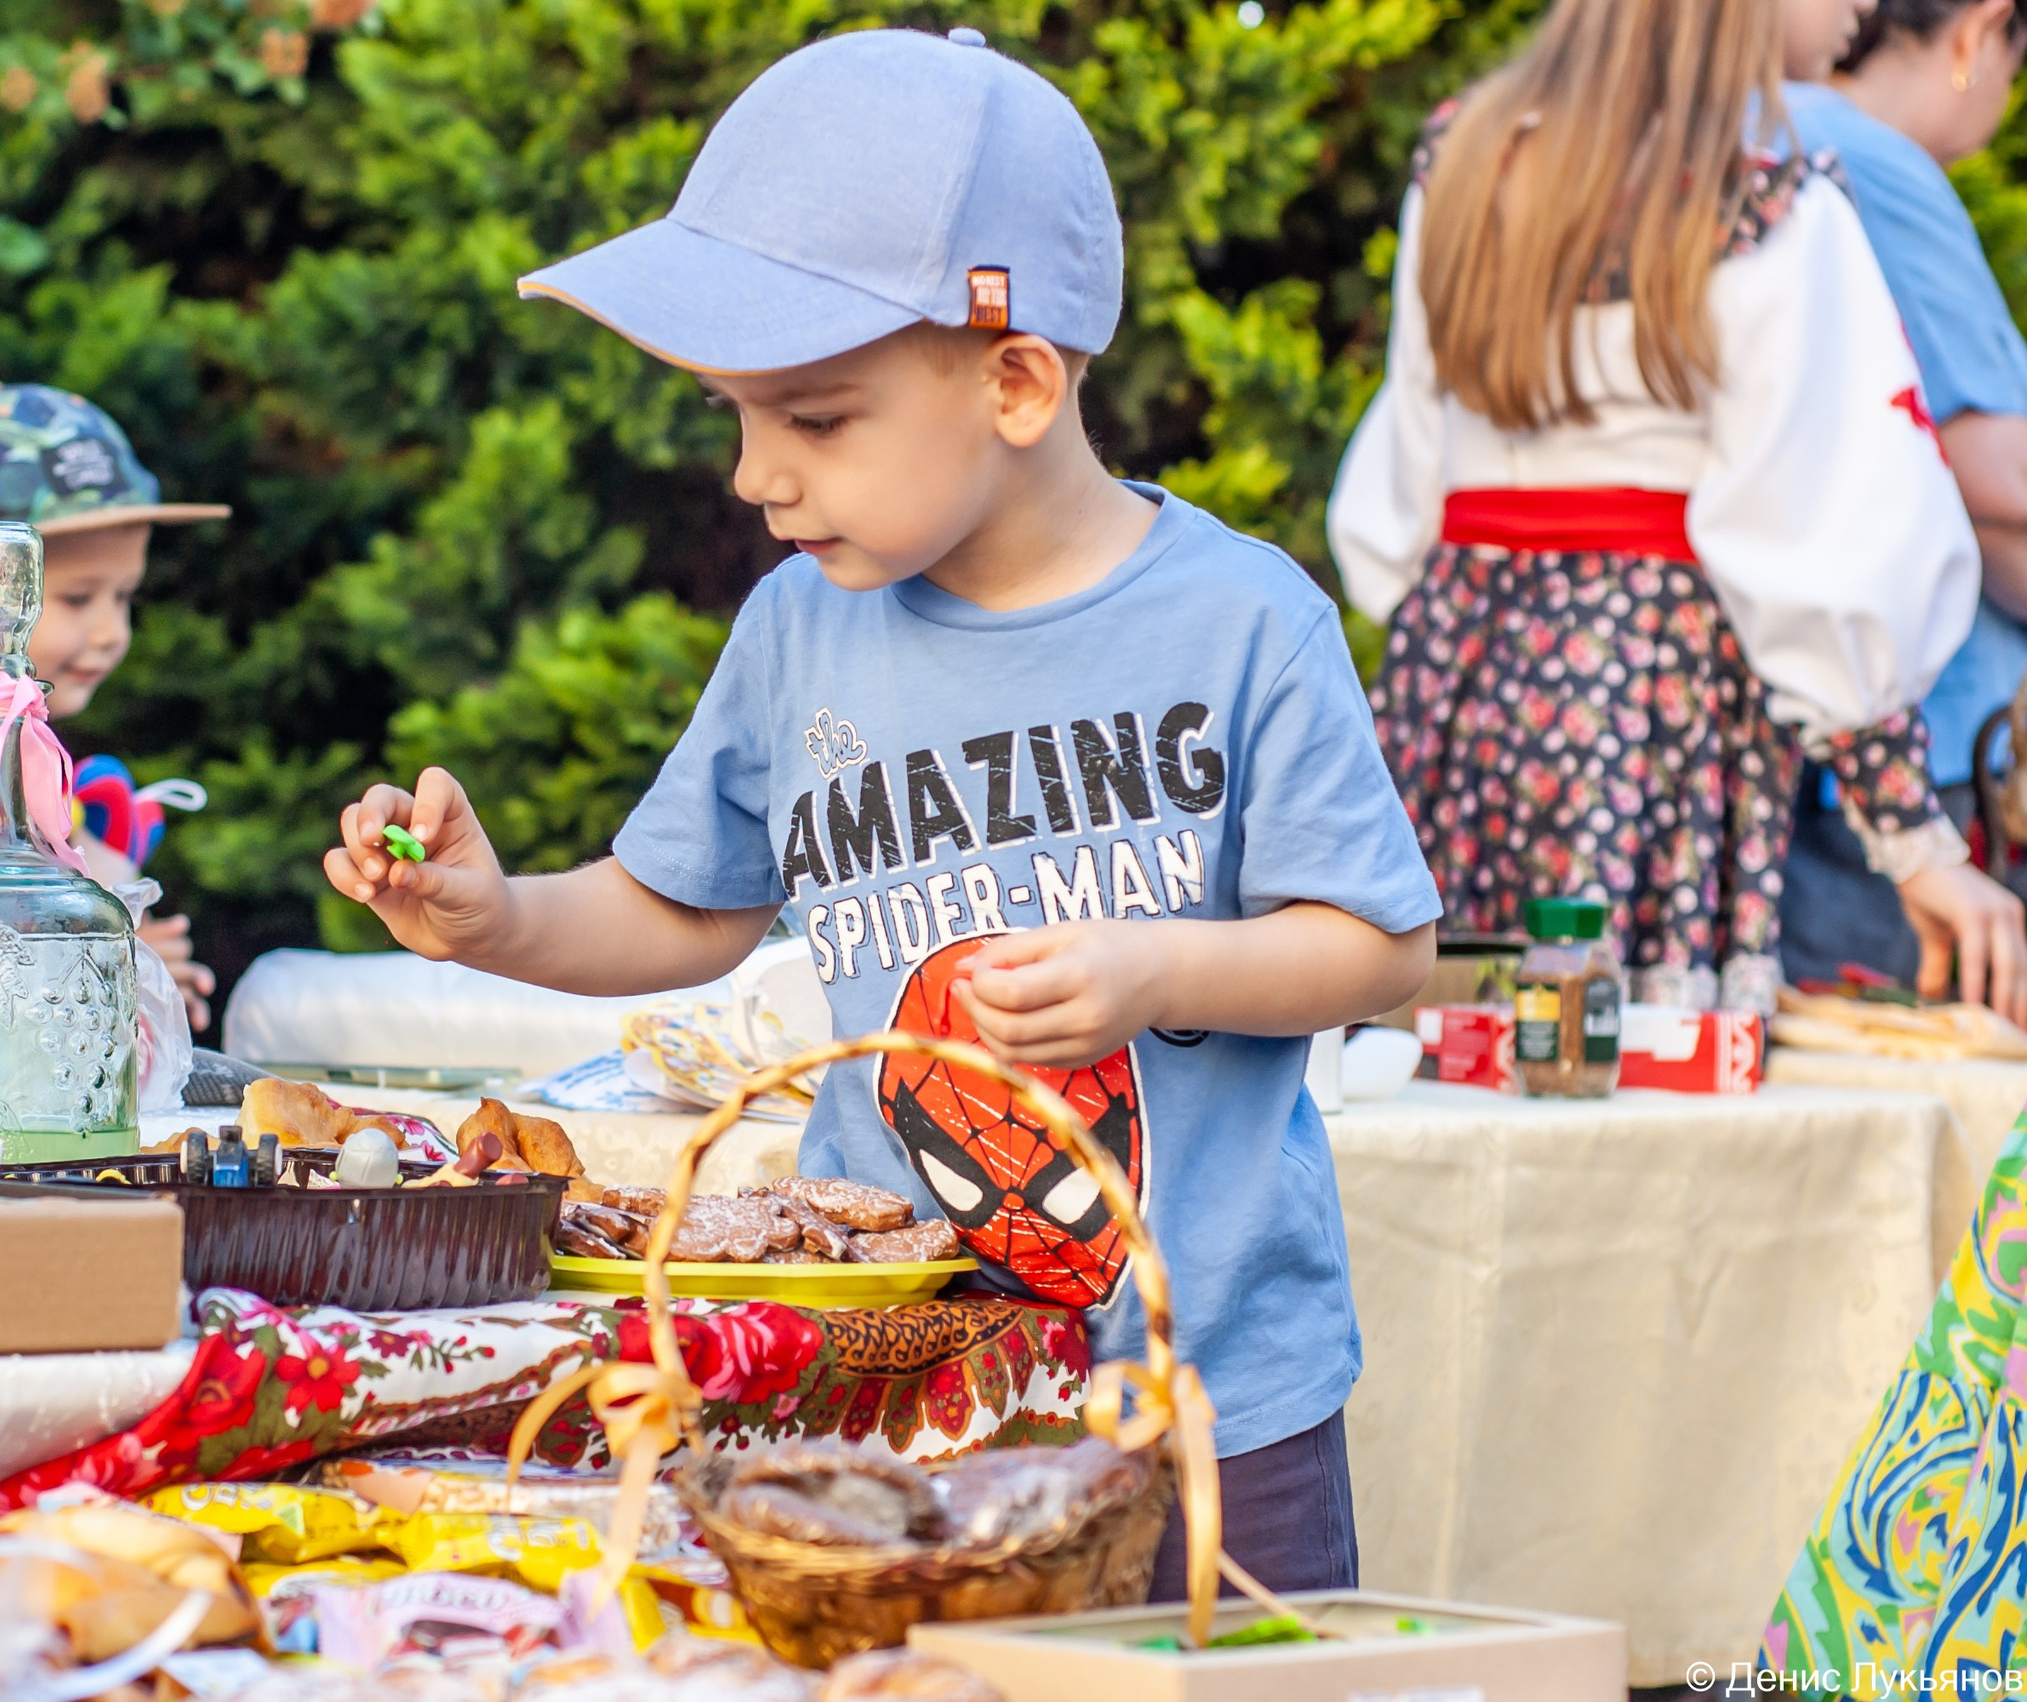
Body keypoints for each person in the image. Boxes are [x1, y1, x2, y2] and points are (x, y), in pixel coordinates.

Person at [327, 28, 1441, 1594]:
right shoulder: (800, 630)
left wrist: (1159, 968)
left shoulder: (1245, 621)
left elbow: (1382, 945)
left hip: (1206, 1399)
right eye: (733, 415)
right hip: (890, 1388)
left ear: (1016, 380)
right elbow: (685, 904)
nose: (753, 475)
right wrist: (496, 917)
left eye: (815, 418)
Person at [1330, 0, 2027, 1021]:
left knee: (1456, 1032)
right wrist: (1913, 840)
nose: (1861, 6)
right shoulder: (1772, 203)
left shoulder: (1466, 163)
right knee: (1629, 1054)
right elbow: (1825, 543)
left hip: (1455, 685)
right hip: (1658, 701)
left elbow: (1400, 490)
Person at [1776, 0, 2027, 994]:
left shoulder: (1771, 136)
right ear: (1978, 32)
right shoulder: (1866, 161)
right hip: (1901, 757)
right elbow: (1987, 470)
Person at [0, 382, 226, 1026]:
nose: (112, 632)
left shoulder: (17, 761)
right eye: (77, 598)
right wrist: (111, 972)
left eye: (124, 595)